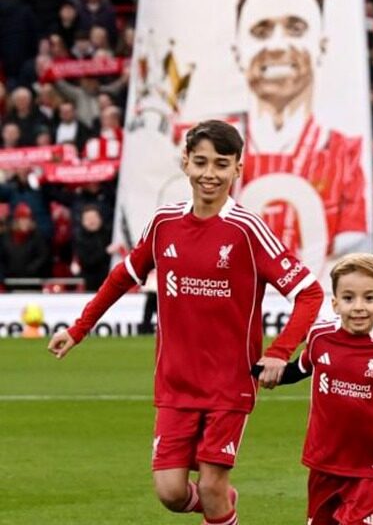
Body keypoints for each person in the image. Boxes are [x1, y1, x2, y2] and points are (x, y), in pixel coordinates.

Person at [47, 120, 324, 525]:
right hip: (176, 382)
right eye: (201, 162)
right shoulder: (164, 224)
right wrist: (78, 328)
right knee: (171, 492)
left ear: (237, 169)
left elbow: (309, 293)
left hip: (229, 382)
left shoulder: (248, 230)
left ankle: (218, 502)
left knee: (211, 485)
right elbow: (122, 275)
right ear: (186, 163)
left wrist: (280, 352)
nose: (210, 173)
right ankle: (222, 504)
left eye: (221, 164)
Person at [254, 253, 373, 525]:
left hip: (368, 466)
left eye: (369, 298)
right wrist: (257, 372)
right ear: (335, 303)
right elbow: (299, 369)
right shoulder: (320, 336)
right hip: (323, 461)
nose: (358, 307)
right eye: (349, 298)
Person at [233, 0, 368, 259]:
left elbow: (349, 248)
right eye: (261, 31)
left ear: (321, 45)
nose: (278, 45)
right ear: (237, 50)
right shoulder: (205, 148)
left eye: (295, 28)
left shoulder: (346, 156)